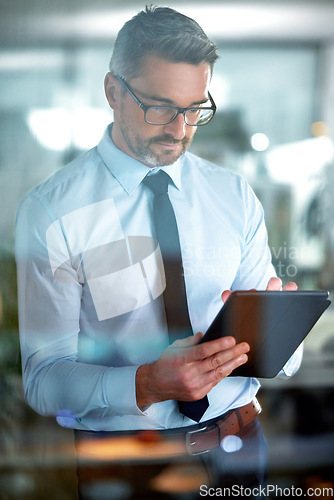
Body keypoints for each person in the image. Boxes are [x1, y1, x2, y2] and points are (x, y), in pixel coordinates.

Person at [15, 6, 303, 499]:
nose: (180, 129)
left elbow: (285, 360)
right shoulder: (52, 212)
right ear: (112, 91)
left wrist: (278, 331)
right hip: (127, 464)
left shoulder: (233, 195)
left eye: (195, 109)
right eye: (160, 106)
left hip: (240, 445)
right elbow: (44, 381)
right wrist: (145, 383)